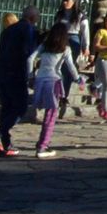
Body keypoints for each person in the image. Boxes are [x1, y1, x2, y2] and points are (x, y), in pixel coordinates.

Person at [0, 6, 39, 156]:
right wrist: (29, 74)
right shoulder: (28, 30)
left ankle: (5, 145)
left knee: (7, 107)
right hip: (16, 72)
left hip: (2, 72)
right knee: (20, 107)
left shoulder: (8, 30)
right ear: (32, 17)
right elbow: (28, 53)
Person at [28, 22, 76, 158]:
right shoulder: (65, 49)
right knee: (51, 114)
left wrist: (31, 75)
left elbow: (30, 58)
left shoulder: (44, 46)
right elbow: (71, 67)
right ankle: (43, 146)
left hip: (40, 81)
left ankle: (42, 144)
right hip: (54, 82)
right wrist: (78, 79)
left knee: (46, 113)